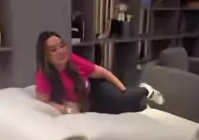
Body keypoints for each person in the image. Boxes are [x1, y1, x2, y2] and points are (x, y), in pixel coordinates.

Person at [35, 31, 163, 115]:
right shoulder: (44, 76)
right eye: (53, 50)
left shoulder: (72, 59)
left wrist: (123, 90)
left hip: (97, 89)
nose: (60, 51)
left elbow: (102, 72)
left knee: (121, 99)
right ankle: (141, 105)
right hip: (88, 105)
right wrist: (66, 109)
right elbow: (45, 103)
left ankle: (145, 90)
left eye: (62, 45)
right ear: (45, 56)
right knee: (127, 109)